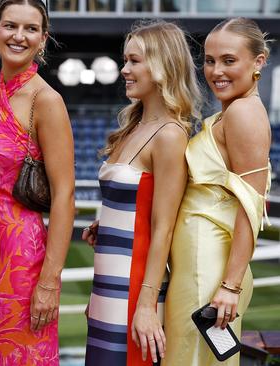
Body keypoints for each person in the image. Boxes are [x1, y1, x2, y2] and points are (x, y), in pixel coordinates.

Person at [0, 0, 75, 363]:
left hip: (21, 261)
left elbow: (64, 196)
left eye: (30, 29)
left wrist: (49, 281)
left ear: (43, 39)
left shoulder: (47, 101)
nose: (19, 36)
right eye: (10, 26)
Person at [81, 20, 201, 365]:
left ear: (162, 67)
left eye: (134, 61)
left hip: (135, 288)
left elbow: (163, 226)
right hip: (107, 283)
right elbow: (134, 206)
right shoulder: (133, 126)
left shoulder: (170, 135)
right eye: (125, 60)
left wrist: (146, 304)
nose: (124, 70)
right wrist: (105, 226)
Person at [163, 18, 272, 366]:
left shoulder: (243, 114)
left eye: (229, 60)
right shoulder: (233, 112)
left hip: (208, 270)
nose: (215, 71)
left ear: (259, 61)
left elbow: (251, 205)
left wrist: (229, 286)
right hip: (200, 264)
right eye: (209, 60)